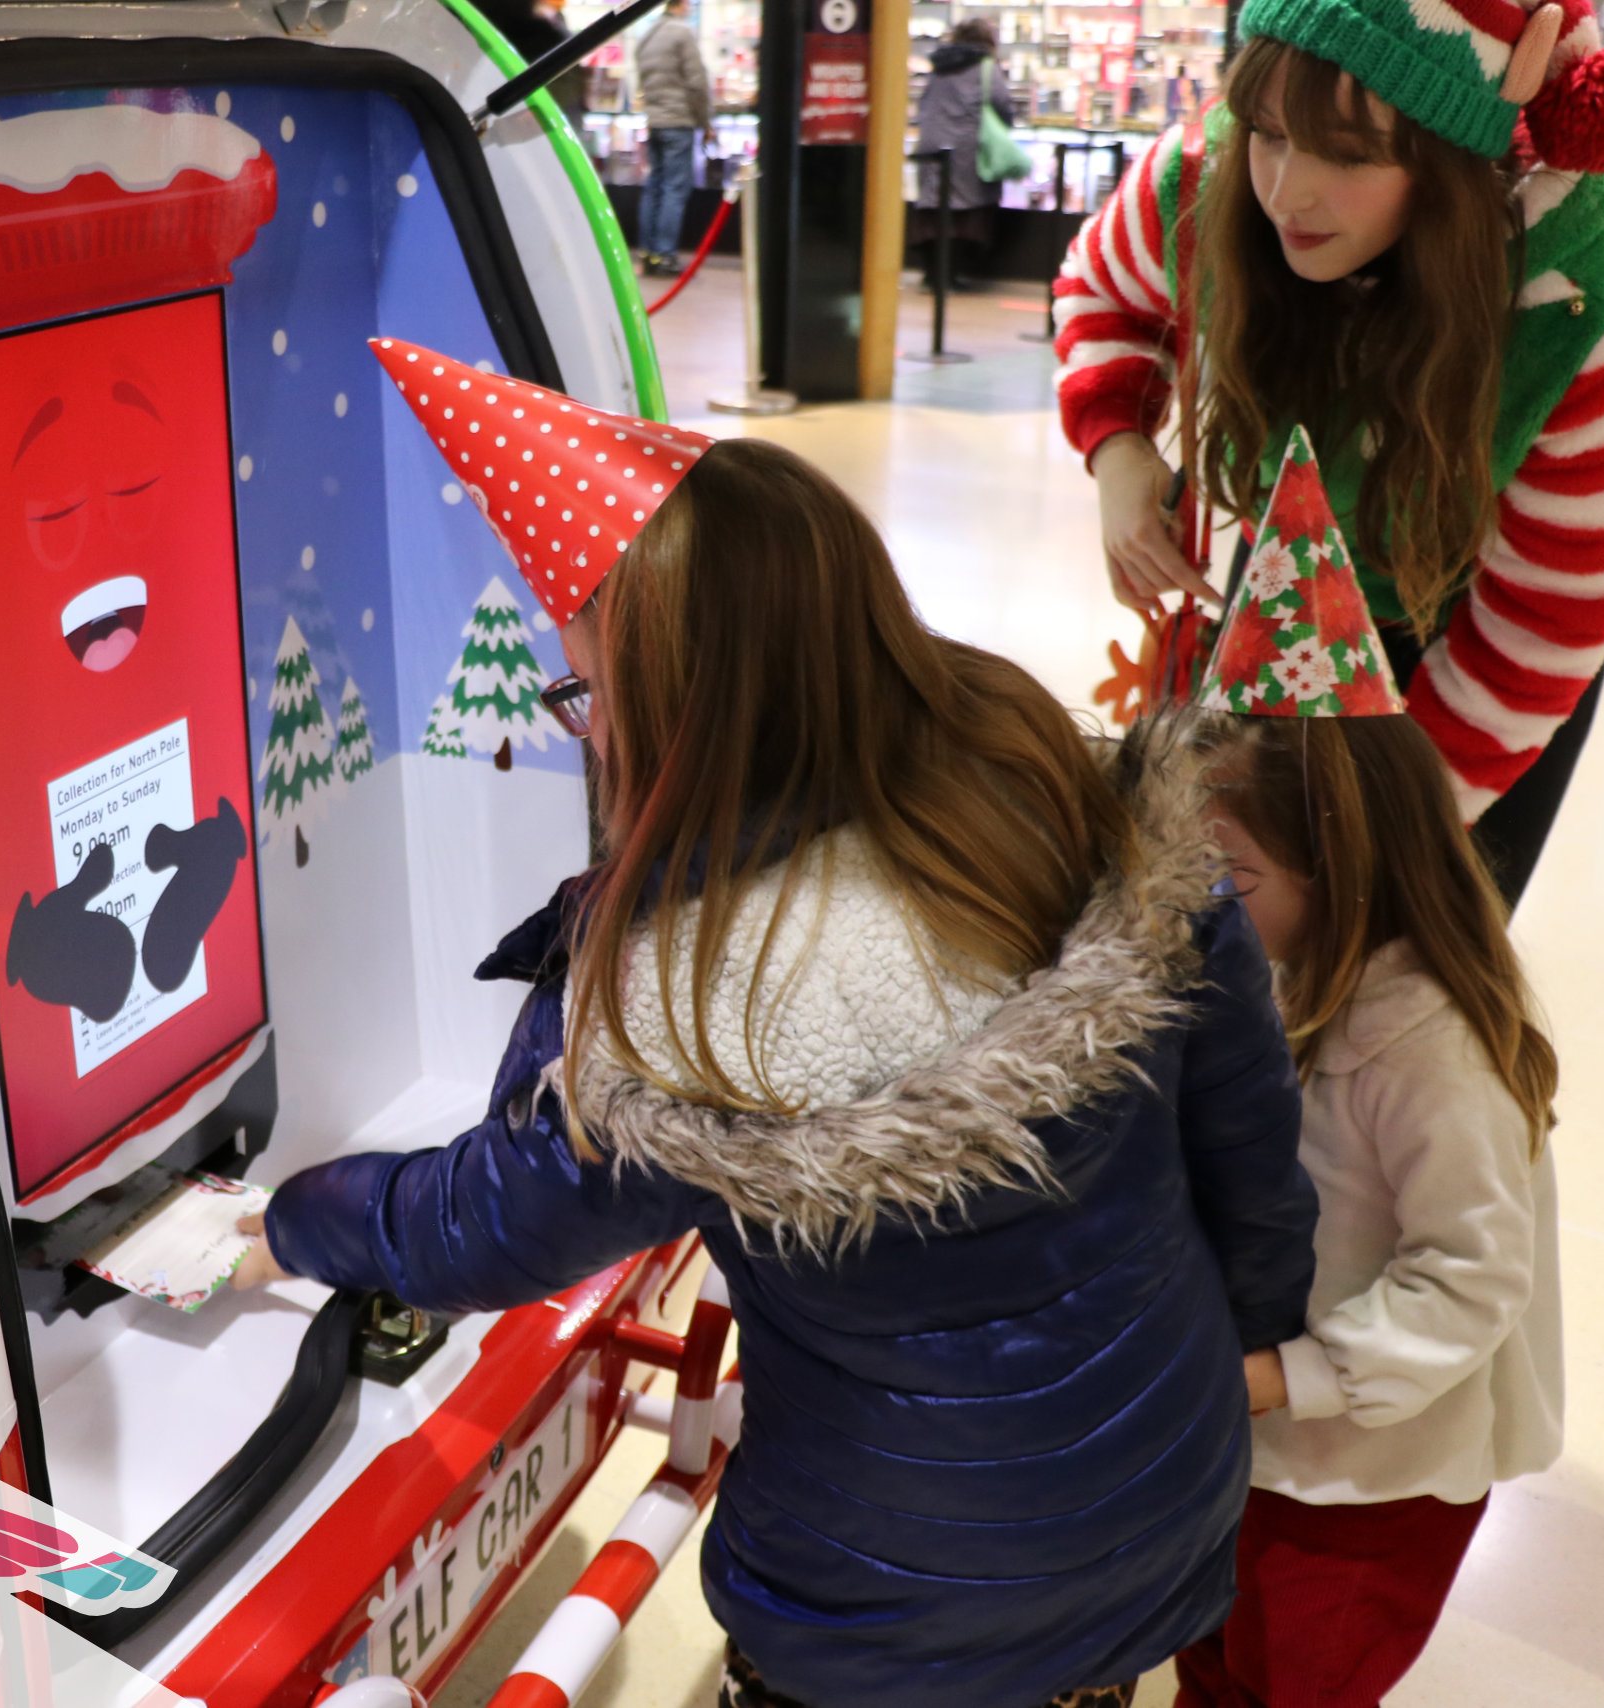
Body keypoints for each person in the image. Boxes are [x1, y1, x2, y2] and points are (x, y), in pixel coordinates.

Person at [236, 336, 1320, 1708]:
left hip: (883, 1595)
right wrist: (1248, 1337)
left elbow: (478, 1225)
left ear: (679, 718)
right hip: (1160, 1495)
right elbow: (1251, 1135)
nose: (581, 732)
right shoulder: (1048, 774)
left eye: (587, 692)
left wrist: (282, 1218)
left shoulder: (697, 999)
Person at [1055, 0, 1604, 909]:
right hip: (1288, 572)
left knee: (1397, 956)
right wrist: (1117, 455)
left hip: (1477, 648)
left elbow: (1550, 615)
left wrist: (1386, 833)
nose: (1286, 191)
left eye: (1349, 154)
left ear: (1453, 156)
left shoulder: (1586, 312)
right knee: (1214, 925)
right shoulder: (1210, 171)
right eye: (1269, 131)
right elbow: (1101, 291)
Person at [1158, 433, 1563, 1707]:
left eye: (1228, 881)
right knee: (1215, 1647)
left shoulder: (1428, 1040)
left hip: (1368, 1478)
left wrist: (1290, 1376)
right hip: (1255, 1437)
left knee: (1302, 1671)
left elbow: (1468, 1275)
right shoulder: (1269, 964)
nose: (1198, 906)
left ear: (1341, 860)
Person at [912, 19, 1017, 282]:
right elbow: (1003, 105)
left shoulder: (939, 65)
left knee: (933, 210)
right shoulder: (986, 68)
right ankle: (952, 275)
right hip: (967, 150)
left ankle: (932, 275)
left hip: (931, 147)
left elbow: (924, 105)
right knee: (965, 215)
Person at [635, 0, 713, 274]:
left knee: (654, 185)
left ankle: (648, 253)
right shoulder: (682, 32)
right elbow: (697, 82)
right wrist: (706, 121)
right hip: (678, 121)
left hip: (654, 121)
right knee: (673, 189)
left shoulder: (647, 36)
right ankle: (666, 255)